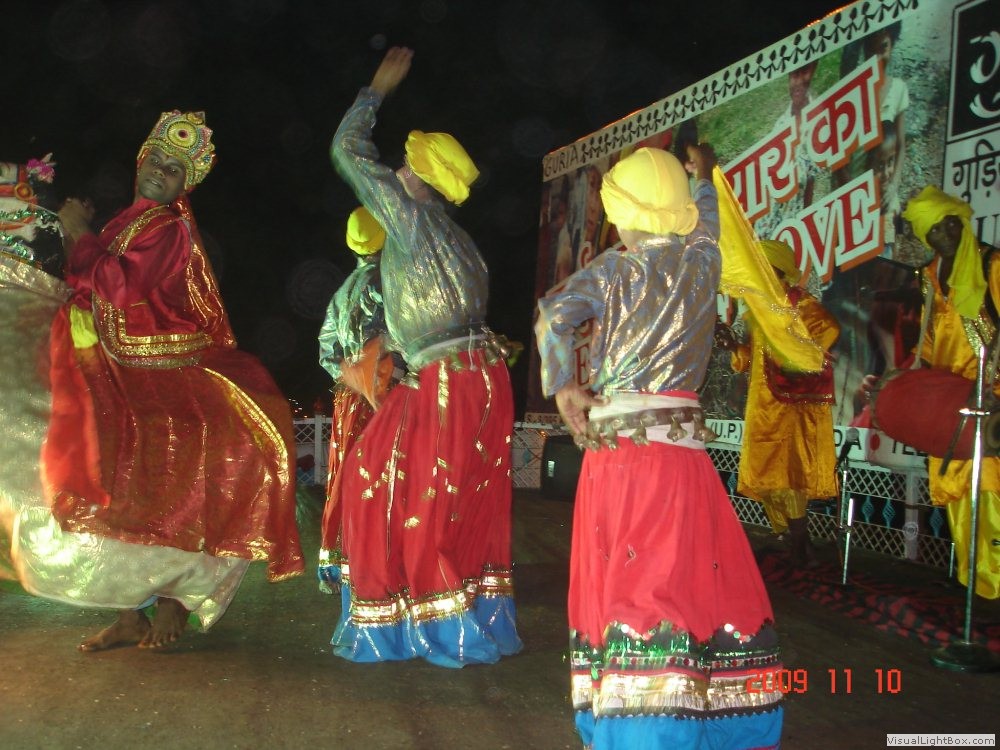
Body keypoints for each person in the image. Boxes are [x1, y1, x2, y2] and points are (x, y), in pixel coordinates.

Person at [535, 145, 783, 749]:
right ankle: (709, 718)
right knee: (686, 581)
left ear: (624, 212)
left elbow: (551, 317)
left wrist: (564, 387)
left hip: (619, 459)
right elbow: (708, 220)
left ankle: (642, 731)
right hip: (681, 461)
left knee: (630, 587)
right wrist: (704, 178)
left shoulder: (614, 270)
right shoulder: (703, 259)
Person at [43, 110, 304, 650]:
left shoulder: (166, 227)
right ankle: (128, 613)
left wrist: (81, 233)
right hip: (112, 371)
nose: (161, 171)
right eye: (156, 159)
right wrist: (78, 235)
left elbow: (120, 287)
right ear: (140, 161)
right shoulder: (122, 224)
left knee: (166, 491)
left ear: (186, 186)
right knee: (117, 494)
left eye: (174, 169)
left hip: (160, 376)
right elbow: (85, 280)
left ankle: (172, 601)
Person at [327, 47, 521, 667]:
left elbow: (346, 150)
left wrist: (375, 91)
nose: (392, 172)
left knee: (390, 491)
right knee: (455, 502)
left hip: (448, 379)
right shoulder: (459, 240)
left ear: (414, 174)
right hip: (475, 376)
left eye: (402, 165)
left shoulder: (409, 218)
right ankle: (457, 614)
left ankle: (428, 623)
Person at [900, 185, 1000, 599]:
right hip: (948, 400)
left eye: (950, 225)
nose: (945, 234)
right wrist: (908, 382)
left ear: (961, 222)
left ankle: (992, 583)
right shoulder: (929, 276)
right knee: (957, 489)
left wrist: (989, 385)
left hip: (989, 398)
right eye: (935, 230)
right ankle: (972, 578)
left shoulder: (991, 264)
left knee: (989, 487)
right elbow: (928, 340)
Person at [716, 239, 840, 566]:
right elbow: (750, 359)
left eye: (765, 268)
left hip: (790, 405)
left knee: (788, 472)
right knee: (763, 472)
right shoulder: (758, 308)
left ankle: (798, 541)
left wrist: (796, 359)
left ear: (780, 272)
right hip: (762, 405)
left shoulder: (799, 303)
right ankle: (792, 538)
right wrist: (732, 347)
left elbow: (829, 329)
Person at [316, 206, 399, 593]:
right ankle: (379, 563)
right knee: (386, 478)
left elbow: (326, 350)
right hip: (384, 396)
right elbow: (401, 338)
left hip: (349, 400)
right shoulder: (389, 283)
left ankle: (339, 565)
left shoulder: (342, 292)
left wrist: (351, 376)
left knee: (346, 476)